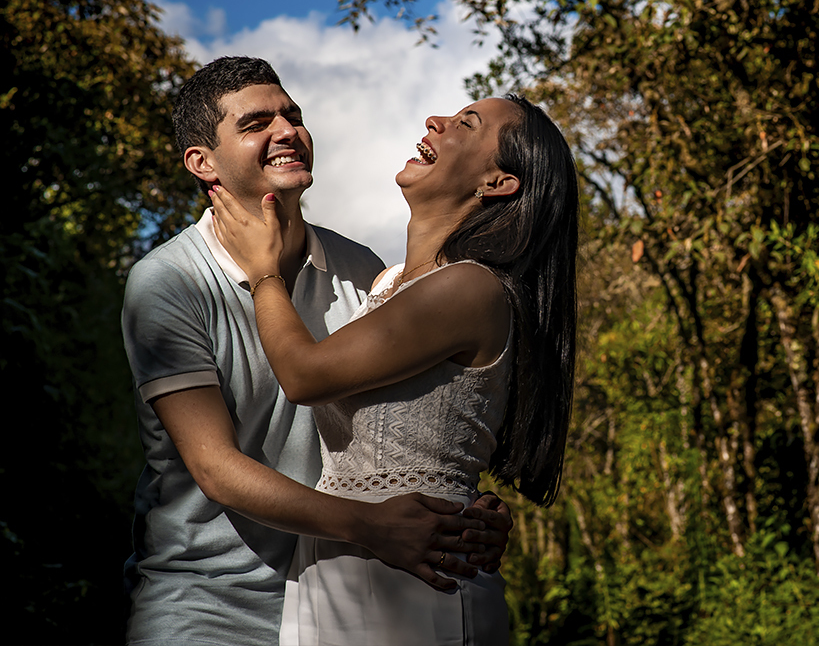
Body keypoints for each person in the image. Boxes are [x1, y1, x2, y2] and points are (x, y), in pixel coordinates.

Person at [122, 57, 512, 646]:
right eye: (257, 123)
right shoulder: (168, 282)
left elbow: (414, 423)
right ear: (203, 163)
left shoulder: (366, 271)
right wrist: (373, 526)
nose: (286, 131)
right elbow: (215, 469)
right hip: (207, 605)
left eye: (293, 115)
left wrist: (463, 512)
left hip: (337, 595)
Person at [211, 92, 578, 644]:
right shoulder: (384, 284)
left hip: (418, 571)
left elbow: (305, 376)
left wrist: (264, 273)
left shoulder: (470, 287)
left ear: (497, 184)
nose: (434, 120)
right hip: (333, 567)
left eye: (465, 124)